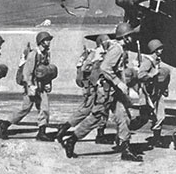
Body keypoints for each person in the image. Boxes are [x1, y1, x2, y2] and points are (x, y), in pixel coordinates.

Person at [59, 23, 143, 162]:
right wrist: (119, 83)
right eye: (131, 36)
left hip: (113, 91)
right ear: (126, 37)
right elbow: (105, 68)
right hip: (106, 91)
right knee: (96, 118)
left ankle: (125, 149)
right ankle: (72, 140)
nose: (133, 39)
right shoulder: (117, 49)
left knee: (123, 117)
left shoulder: (118, 48)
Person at [0, 31, 56, 141]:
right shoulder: (33, 54)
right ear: (41, 42)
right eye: (46, 40)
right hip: (32, 86)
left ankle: (41, 133)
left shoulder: (46, 54)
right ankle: (5, 124)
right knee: (25, 109)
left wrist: (48, 84)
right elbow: (26, 72)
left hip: (41, 86)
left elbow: (47, 71)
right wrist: (30, 86)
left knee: (44, 108)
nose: (49, 42)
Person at [56, 34, 107, 142]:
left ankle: (100, 134)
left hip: (99, 87)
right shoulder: (95, 53)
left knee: (103, 110)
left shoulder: (102, 53)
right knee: (87, 110)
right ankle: (64, 128)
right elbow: (85, 68)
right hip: (93, 87)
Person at [132, 39, 172, 148]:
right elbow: (140, 75)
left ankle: (156, 139)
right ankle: (126, 130)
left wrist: (164, 88)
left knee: (160, 116)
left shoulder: (157, 60)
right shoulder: (148, 61)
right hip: (147, 93)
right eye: (159, 48)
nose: (162, 50)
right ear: (155, 50)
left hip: (156, 92)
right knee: (144, 118)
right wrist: (152, 74)